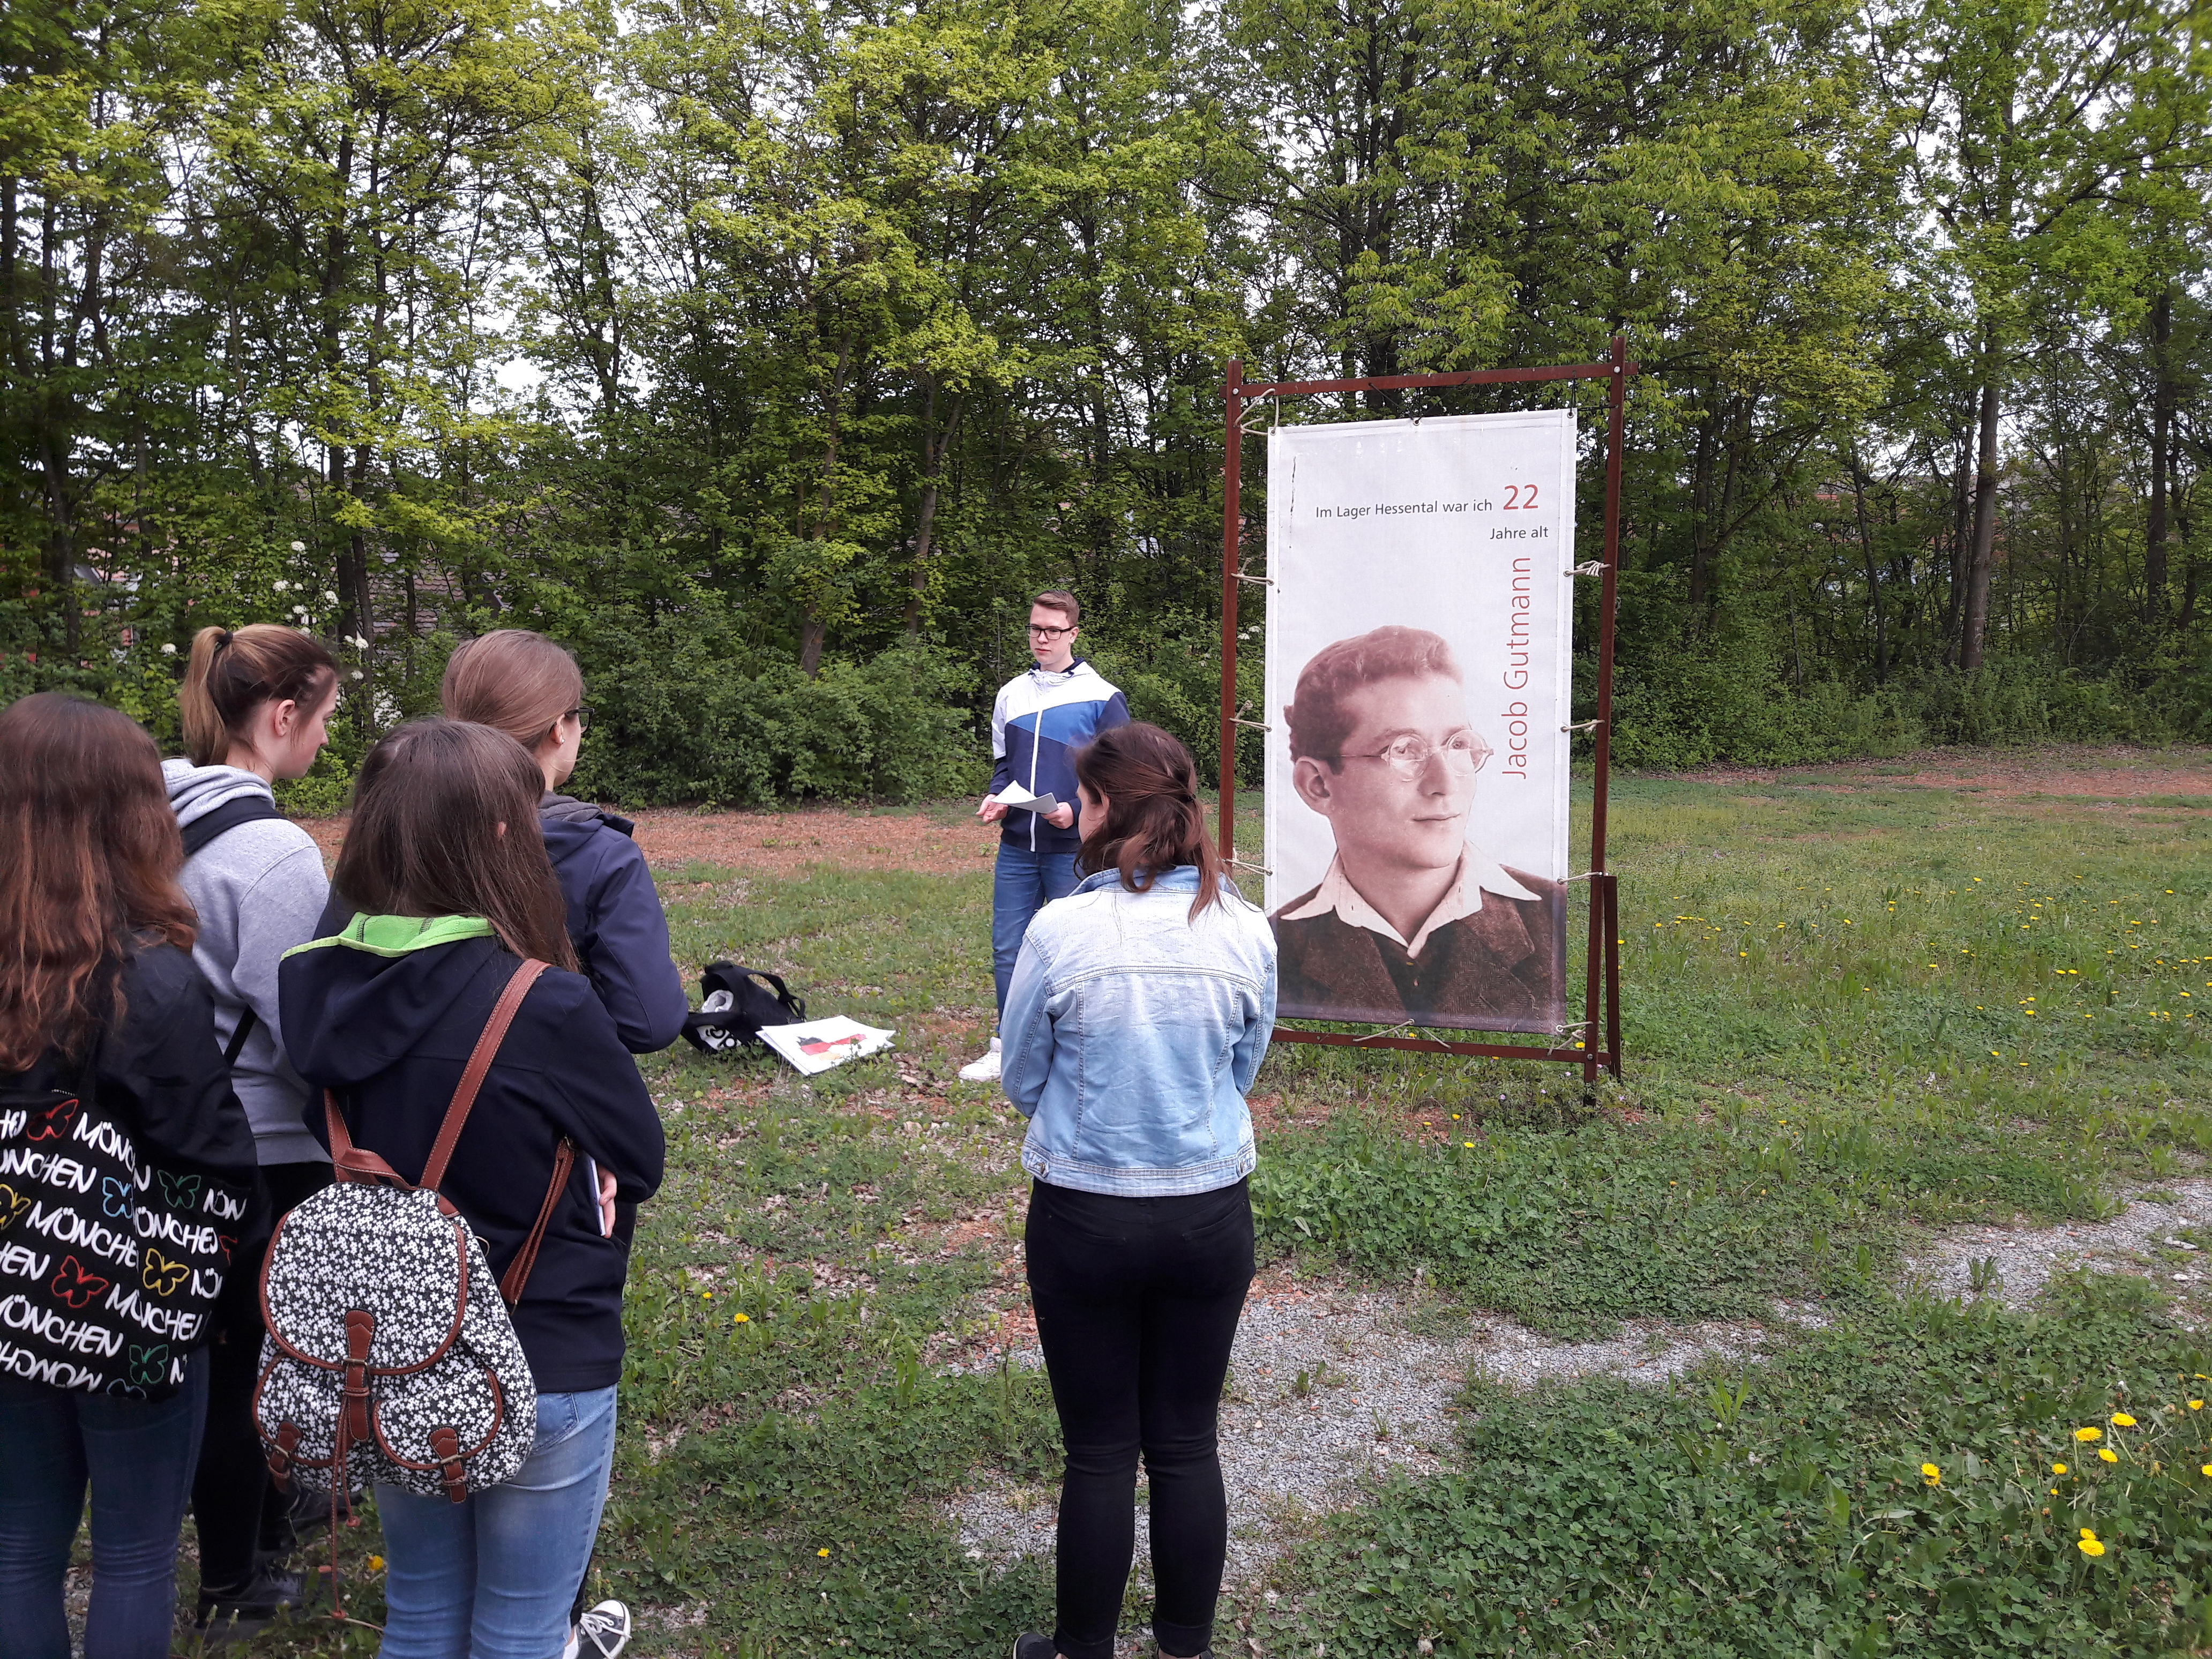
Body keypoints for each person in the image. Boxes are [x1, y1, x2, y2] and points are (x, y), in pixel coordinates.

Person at [279, 718, 665, 1659]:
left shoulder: (311, 977)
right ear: (503, 837)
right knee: (522, 1626)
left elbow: (318, 1123)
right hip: (542, 1338)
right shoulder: (543, 1000)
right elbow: (640, 1156)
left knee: (418, 1611)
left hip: (392, 1343)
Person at [999, 722, 1275, 1659]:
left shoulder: (1060, 927)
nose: (1073, 814)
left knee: (1101, 1448)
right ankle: (1184, 1646)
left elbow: (1021, 1076)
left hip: (1084, 1214)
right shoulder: (1242, 925)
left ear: (1108, 809)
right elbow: (1244, 1065)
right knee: (1188, 1441)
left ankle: (1081, 1649)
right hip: (1208, 1214)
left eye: (1084, 798)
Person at [0, 692, 259, 1659]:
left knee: (21, 1544)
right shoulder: (147, 973)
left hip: (5, 1303)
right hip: (133, 1308)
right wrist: (234, 1295)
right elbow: (215, 1158)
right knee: (136, 1555)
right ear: (130, 814)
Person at [163, 623, 341, 1632]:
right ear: (283, 717)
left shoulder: (153, 804)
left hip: (167, 1128)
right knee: (254, 1359)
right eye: (323, 721)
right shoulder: (272, 851)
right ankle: (238, 1571)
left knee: (225, 1350)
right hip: (261, 1145)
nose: (323, 742)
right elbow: (305, 1025)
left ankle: (266, 1516)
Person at [1272, 625, 1565, 1032]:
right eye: (1404, 750)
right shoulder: (1272, 947)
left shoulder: (1555, 917)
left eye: (1459, 745)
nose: (1445, 783)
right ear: (1318, 786)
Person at [438, 630, 687, 1055]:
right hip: (531, 1099)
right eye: (578, 716)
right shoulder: (602, 856)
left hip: (398, 1105)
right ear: (559, 727)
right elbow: (651, 1022)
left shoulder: (404, 828)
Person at [959, 591, 1129, 1082]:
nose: (1042, 638)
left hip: (1073, 851)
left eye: (1053, 630)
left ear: (1074, 633)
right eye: (1035, 628)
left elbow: (1120, 776)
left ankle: (1081, 1049)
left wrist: (1074, 810)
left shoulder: (1102, 697)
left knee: (1076, 948)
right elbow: (1003, 766)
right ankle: (1009, 1045)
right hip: (1016, 848)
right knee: (1009, 948)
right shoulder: (1011, 693)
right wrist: (997, 798)